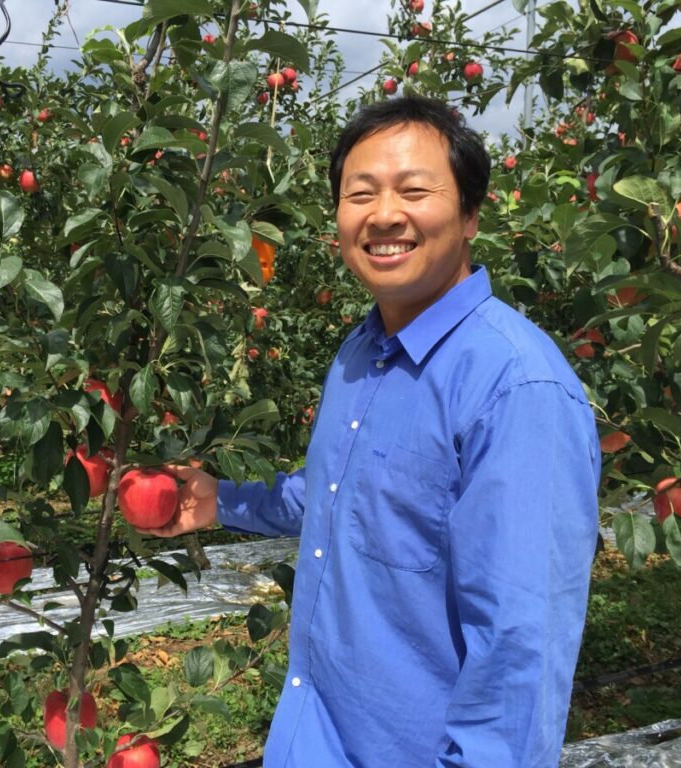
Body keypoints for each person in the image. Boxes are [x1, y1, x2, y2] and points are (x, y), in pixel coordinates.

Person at [145, 95, 601, 767]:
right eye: (360, 194)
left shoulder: (515, 387)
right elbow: (339, 493)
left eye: (414, 190)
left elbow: (518, 657)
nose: (384, 214)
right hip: (313, 738)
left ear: (470, 214)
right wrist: (224, 501)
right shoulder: (360, 354)